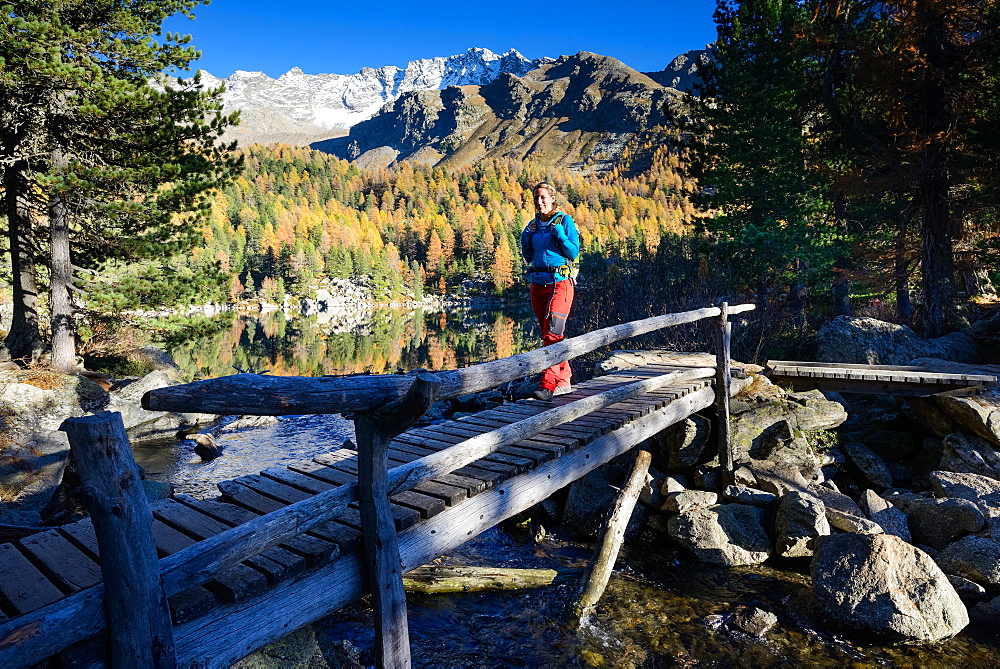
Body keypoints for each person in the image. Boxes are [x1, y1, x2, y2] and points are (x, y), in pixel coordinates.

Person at [520, 182, 580, 401]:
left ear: (553, 198)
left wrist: (561, 235)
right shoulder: (533, 224)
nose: (539, 201)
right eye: (536, 197)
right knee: (551, 334)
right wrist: (526, 236)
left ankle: (547, 386)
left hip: (560, 282)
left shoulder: (564, 220)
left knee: (552, 333)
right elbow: (528, 255)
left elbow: (573, 252)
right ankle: (564, 380)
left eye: (543, 197)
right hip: (537, 283)